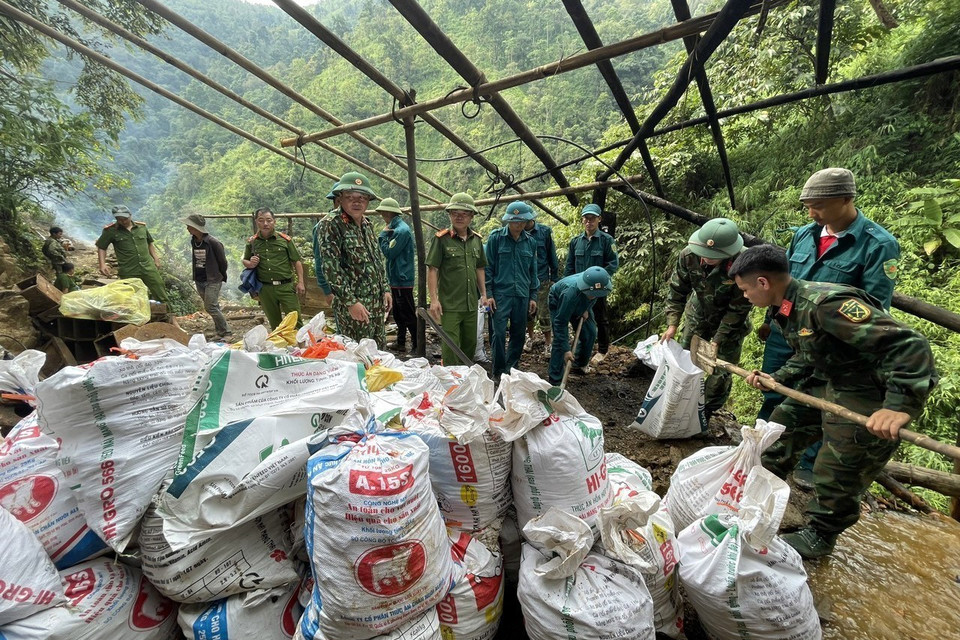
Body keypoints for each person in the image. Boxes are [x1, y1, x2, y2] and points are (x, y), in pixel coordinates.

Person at [731, 244, 936, 559]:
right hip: (831, 379)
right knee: (779, 430)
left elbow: (909, 345)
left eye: (745, 289)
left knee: (837, 466)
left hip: (870, 388)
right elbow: (810, 351)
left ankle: (821, 534)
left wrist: (898, 405)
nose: (744, 296)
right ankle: (755, 495)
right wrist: (780, 377)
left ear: (763, 282)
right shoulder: (785, 306)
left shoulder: (826, 304)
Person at [757, 167, 900, 487]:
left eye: (819, 205)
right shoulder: (804, 235)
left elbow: (874, 305)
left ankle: (809, 464)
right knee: (772, 391)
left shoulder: (877, 244)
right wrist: (772, 320)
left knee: (824, 403)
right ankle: (760, 451)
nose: (812, 212)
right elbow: (786, 284)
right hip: (787, 332)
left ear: (847, 199)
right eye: (808, 205)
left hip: (831, 344)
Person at [662, 218, 752, 418]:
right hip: (698, 314)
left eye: (714, 256)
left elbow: (738, 308)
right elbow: (677, 290)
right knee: (686, 362)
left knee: (719, 372)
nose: (707, 259)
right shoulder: (688, 256)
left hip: (730, 324)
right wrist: (672, 324)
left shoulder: (744, 264)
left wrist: (718, 340)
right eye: (704, 253)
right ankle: (678, 410)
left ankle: (705, 415)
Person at [319, 172, 392, 346]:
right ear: (340, 199)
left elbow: (376, 259)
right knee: (357, 355)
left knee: (378, 352)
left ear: (368, 201)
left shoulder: (367, 224)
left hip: (375, 303)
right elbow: (331, 268)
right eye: (350, 197)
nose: (357, 202)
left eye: (362, 198)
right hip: (354, 306)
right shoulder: (331, 224)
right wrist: (351, 303)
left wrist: (386, 289)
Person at [426, 192, 488, 366]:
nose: (459, 217)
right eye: (455, 213)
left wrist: (483, 294)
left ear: (471, 216)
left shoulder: (476, 240)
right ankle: (450, 380)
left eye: (464, 213)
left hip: (470, 303)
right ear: (449, 215)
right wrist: (434, 299)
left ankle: (464, 378)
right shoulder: (441, 239)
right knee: (451, 345)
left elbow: (479, 268)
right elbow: (433, 269)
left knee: (470, 343)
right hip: (450, 304)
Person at [485, 201, 539, 379]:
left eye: (522, 221)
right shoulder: (496, 238)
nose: (518, 225)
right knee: (498, 334)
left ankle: (511, 369)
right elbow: (488, 268)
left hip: (522, 295)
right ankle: (498, 371)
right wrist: (489, 294)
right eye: (514, 221)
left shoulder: (530, 242)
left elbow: (533, 271)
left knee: (518, 334)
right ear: (508, 221)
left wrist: (533, 296)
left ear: (527, 222)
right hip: (501, 295)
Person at [564, 203, 618, 367]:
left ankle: (602, 350)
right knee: (580, 316)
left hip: (598, 288)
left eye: (592, 218)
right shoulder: (575, 242)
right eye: (586, 219)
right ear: (582, 220)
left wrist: (599, 282)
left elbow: (613, 264)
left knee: (600, 317)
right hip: (579, 288)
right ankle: (581, 351)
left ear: (599, 219)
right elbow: (569, 266)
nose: (589, 222)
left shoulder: (607, 241)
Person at [546, 267, 612, 385]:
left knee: (590, 332)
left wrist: (586, 308)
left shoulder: (600, 284)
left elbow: (594, 298)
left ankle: (578, 365)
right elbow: (560, 323)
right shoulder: (569, 294)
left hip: (583, 302)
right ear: (585, 288)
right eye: (592, 294)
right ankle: (555, 380)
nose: (594, 296)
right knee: (560, 341)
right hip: (558, 300)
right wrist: (566, 350)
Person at [242, 207, 305, 329]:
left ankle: (300, 347)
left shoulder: (285, 240)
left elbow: (296, 261)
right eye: (261, 220)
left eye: (269, 220)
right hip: (265, 289)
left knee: (295, 321)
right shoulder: (252, 242)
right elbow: (245, 260)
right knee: (275, 324)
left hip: (286, 287)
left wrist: (301, 282)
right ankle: (281, 347)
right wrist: (249, 263)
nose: (265, 223)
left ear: (274, 221)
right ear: (256, 222)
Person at [96, 205, 171, 305]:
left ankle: (170, 316)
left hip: (148, 267)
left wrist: (156, 258)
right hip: (128, 269)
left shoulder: (142, 227)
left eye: (125, 219)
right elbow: (102, 247)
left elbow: (150, 243)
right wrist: (102, 264)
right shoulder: (110, 231)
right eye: (119, 219)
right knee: (131, 296)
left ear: (130, 215)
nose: (123, 221)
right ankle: (138, 319)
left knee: (159, 288)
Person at [182, 213, 231, 339]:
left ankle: (226, 332)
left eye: (189, 226)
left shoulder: (214, 243)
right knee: (213, 306)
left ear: (196, 227)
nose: (187, 228)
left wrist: (220, 276)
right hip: (200, 279)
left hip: (213, 279)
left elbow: (223, 262)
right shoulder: (194, 240)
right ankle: (219, 331)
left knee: (210, 307)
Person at [377, 197, 416, 352]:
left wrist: (382, 237)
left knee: (407, 312)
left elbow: (390, 253)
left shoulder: (401, 231)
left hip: (402, 279)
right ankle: (401, 342)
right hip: (397, 278)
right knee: (399, 313)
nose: (381, 216)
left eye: (382, 213)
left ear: (387, 213)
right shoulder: (396, 228)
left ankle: (416, 344)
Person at [524, 212, 559, 355]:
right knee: (528, 312)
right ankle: (530, 338)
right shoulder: (519, 232)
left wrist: (554, 279)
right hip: (525, 280)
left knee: (544, 312)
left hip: (542, 279)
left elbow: (552, 255)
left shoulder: (544, 232)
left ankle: (548, 343)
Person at [312, 182, 339, 307]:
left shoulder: (360, 224)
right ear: (337, 200)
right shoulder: (324, 227)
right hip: (338, 290)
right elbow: (320, 261)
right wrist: (327, 291)